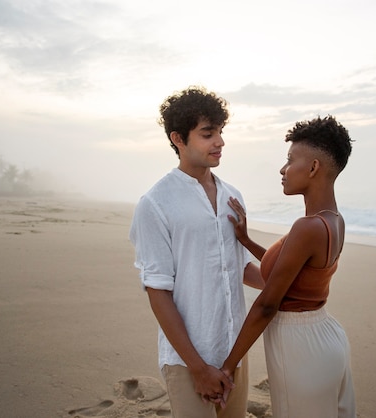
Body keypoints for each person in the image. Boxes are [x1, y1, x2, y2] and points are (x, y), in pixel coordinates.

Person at [129, 86, 263, 418]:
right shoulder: (156, 203)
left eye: (220, 132)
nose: (219, 142)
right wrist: (199, 368)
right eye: (207, 134)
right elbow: (158, 292)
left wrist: (291, 283)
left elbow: (240, 268)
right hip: (189, 361)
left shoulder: (232, 196)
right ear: (178, 138)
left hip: (235, 353)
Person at [221, 115, 357, 417]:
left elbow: (267, 304)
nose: (282, 170)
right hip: (325, 336)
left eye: (290, 160)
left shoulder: (307, 228)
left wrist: (229, 366)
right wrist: (245, 240)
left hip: (300, 348)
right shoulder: (334, 221)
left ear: (313, 167)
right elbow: (289, 276)